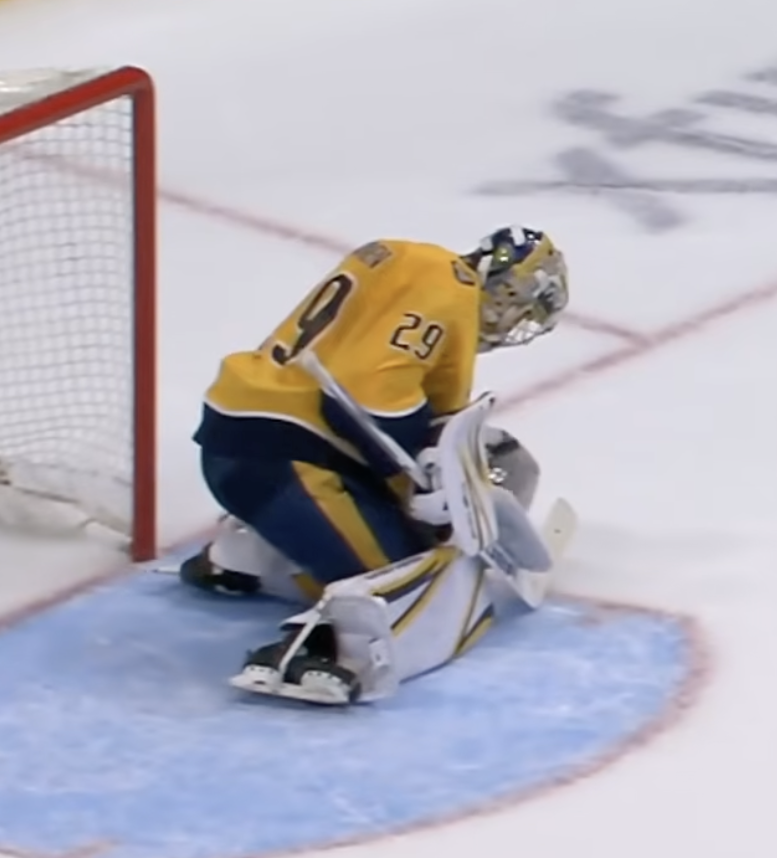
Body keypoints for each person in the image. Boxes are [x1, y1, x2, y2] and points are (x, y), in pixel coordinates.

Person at [181, 227, 570, 705]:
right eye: (518, 305)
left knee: (381, 516)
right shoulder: (453, 289)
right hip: (289, 463)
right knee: (411, 572)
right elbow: (372, 397)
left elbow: (372, 392)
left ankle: (242, 556)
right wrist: (420, 485)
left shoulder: (402, 256)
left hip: (236, 442)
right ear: (504, 283)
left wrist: (416, 471)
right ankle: (318, 650)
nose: (511, 322)